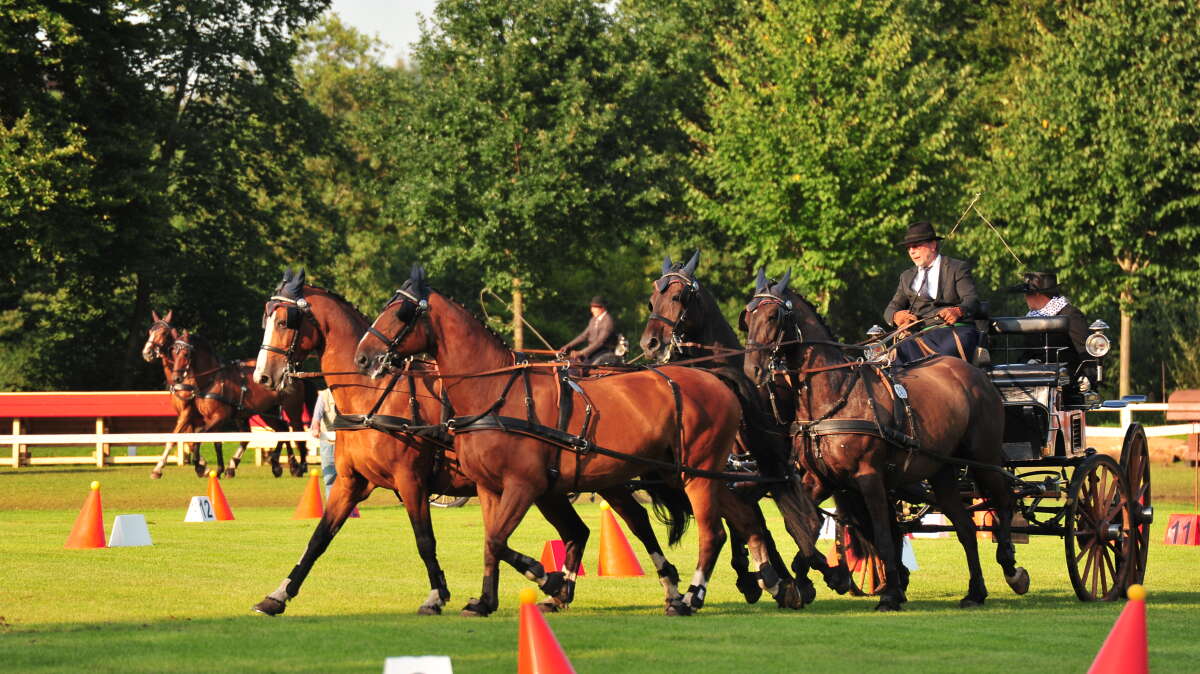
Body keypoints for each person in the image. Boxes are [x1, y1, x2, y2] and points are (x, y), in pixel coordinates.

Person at [883, 221, 982, 365]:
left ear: (933, 245)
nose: (911, 251)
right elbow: (891, 309)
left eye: (916, 246)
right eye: (909, 248)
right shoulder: (906, 277)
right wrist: (895, 316)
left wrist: (958, 311)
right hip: (920, 335)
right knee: (895, 358)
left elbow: (972, 300)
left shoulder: (956, 268)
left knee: (936, 361)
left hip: (954, 331)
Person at [1007, 271, 1091, 380]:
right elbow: (1027, 352)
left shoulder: (1070, 314)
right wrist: (1028, 362)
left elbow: (1085, 351)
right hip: (1037, 381)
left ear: (1037, 294)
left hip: (1067, 382)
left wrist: (1088, 382)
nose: (1025, 297)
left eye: (1027, 293)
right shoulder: (1030, 318)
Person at [559, 295, 620, 366]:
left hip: (603, 352)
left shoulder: (608, 322)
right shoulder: (593, 320)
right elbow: (583, 336)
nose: (592, 310)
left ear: (602, 308)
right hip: (592, 351)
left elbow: (600, 342)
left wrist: (581, 353)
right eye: (592, 307)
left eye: (595, 307)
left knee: (578, 367)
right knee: (567, 363)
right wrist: (568, 346)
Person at [309, 386, 337, 497]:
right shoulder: (324, 395)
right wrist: (315, 427)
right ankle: (332, 505)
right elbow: (316, 417)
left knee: (348, 477)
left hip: (346, 441)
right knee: (329, 477)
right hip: (328, 441)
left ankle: (349, 507)